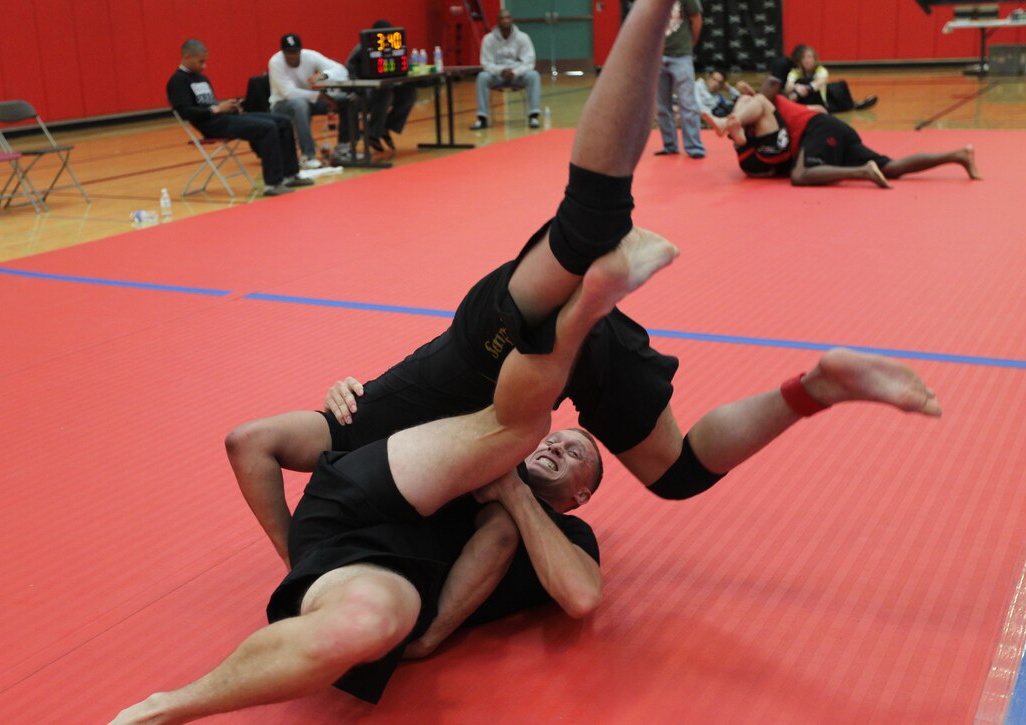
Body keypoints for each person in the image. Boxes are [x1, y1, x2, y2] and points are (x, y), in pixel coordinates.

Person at [226, 2, 943, 579]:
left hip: (482, 352)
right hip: (534, 371)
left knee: (590, 223)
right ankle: (814, 383)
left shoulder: (344, 436)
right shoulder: (440, 517)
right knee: (678, 471)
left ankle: (651, 14)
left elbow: (249, 441)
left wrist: (301, 560)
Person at [110, 199, 679, 724]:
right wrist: (343, 415)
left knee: (364, 628)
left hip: (382, 560)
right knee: (521, 424)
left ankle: (159, 710)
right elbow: (435, 430)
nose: (558, 446)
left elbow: (580, 596)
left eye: (575, 453)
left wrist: (511, 499)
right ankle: (586, 298)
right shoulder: (489, 442)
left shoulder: (567, 532)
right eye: (562, 440)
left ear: (582, 495)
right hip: (369, 486)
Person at [708, 86, 981, 187]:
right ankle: (958, 155)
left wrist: (732, 119)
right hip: (834, 129)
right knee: (892, 168)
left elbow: (752, 98)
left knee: (801, 176)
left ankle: (862, 172)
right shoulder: (774, 115)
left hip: (821, 129)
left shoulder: (767, 104)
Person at [167, 39, 311, 197]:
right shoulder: (177, 81)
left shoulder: (202, 78)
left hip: (223, 118)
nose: (204, 66)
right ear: (187, 57)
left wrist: (229, 107)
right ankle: (273, 183)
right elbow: (185, 112)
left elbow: (210, 103)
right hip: (211, 125)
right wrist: (216, 109)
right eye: (201, 61)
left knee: (282, 121)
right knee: (267, 127)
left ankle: (290, 174)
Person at [268, 33, 352, 169]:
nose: (292, 55)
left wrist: (324, 75)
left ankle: (343, 148)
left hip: (310, 101)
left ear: (300, 50)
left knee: (346, 100)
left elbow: (342, 70)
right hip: (282, 104)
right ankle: (308, 155)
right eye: (289, 52)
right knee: (300, 104)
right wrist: (320, 96)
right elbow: (289, 93)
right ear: (283, 52)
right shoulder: (275, 62)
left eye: (295, 52)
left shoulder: (311, 56)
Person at [345, 20, 417, 152]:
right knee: (384, 94)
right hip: (364, 91)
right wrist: (357, 85)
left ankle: (385, 127)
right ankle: (373, 134)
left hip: (387, 88)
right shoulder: (362, 47)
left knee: (409, 94)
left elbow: (401, 67)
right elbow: (348, 68)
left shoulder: (395, 46)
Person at [470, 9, 543, 130]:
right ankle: (482, 118)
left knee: (533, 75)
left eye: (508, 18)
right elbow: (486, 63)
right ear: (498, 21)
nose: (505, 21)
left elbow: (529, 62)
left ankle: (533, 116)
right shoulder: (488, 39)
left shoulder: (523, 38)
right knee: (482, 77)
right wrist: (500, 71)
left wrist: (515, 72)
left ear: (512, 20)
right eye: (502, 18)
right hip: (497, 75)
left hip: (517, 75)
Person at [654, 0, 706, 158]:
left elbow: (696, 19)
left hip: (681, 56)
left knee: (687, 103)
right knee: (662, 105)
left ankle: (694, 147)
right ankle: (670, 145)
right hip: (657, 56)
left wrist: (689, 45)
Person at [783, 46, 877, 113]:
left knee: (840, 85)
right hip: (801, 100)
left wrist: (807, 88)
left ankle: (854, 104)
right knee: (801, 82)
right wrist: (796, 87)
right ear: (800, 61)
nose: (807, 60)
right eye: (804, 58)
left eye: (810, 57)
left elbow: (820, 81)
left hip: (819, 102)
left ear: (814, 59)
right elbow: (788, 86)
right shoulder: (795, 72)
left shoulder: (821, 70)